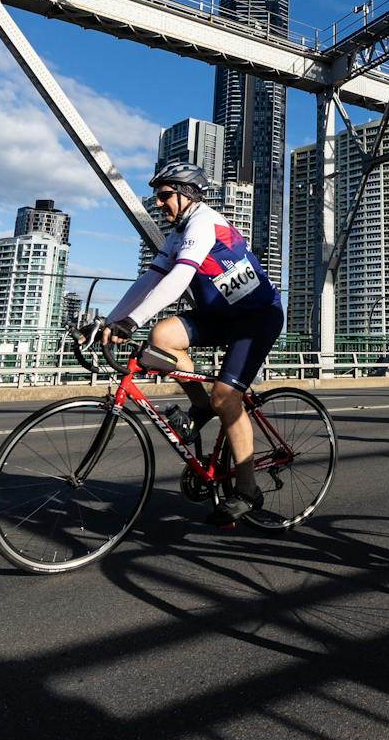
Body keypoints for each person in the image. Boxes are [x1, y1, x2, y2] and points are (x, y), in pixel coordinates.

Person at [100, 161, 283, 527]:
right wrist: (109, 320)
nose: (157, 203)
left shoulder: (203, 223)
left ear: (186, 195)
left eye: (164, 195)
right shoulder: (178, 233)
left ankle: (247, 490)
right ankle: (199, 412)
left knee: (225, 396)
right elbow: (149, 280)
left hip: (256, 318)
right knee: (163, 337)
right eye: (156, 196)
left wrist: (130, 322)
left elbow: (181, 276)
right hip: (220, 317)